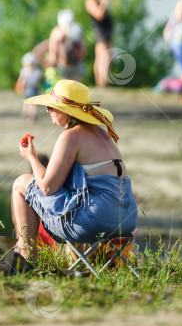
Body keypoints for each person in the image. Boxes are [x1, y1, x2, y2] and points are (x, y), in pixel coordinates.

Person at [11, 80, 137, 262]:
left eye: (52, 107)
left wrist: (31, 157)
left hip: (95, 222)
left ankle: (26, 261)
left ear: (68, 111)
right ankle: (77, 264)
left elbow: (47, 188)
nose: (48, 110)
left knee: (20, 184)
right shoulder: (103, 134)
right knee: (74, 196)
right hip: (126, 221)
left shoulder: (71, 137)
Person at [85, 0, 113, 87]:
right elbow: (99, 15)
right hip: (100, 31)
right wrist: (104, 4)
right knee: (104, 57)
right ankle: (102, 83)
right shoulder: (90, 1)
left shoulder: (97, 0)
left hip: (106, 31)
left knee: (106, 56)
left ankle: (105, 81)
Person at [46, 9, 86, 82]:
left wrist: (52, 60)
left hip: (63, 62)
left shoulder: (56, 31)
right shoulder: (77, 29)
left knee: (64, 84)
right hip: (75, 62)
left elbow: (53, 47)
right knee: (76, 83)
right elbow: (83, 46)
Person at [15, 52, 44, 123]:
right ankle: (32, 116)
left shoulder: (24, 71)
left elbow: (20, 80)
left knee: (26, 102)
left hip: (26, 88)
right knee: (33, 104)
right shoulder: (37, 71)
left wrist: (19, 86)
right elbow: (42, 78)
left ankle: (25, 113)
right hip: (34, 89)